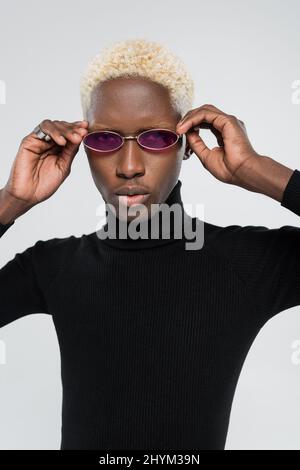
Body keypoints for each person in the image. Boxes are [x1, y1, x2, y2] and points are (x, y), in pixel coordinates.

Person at [0, 38, 300, 450]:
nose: (128, 167)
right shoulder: (53, 266)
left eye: (156, 139)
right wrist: (10, 201)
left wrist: (258, 170)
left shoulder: (246, 265)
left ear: (187, 144)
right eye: (105, 140)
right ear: (81, 146)